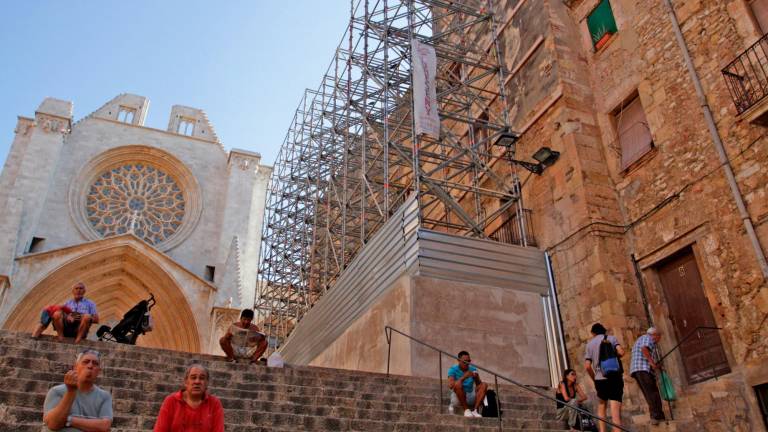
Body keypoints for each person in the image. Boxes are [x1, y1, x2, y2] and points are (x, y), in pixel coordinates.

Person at [42, 349, 113, 432]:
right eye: (86, 362)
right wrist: (71, 391)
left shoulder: (105, 396)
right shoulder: (56, 391)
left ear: (99, 371)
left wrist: (69, 419)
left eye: (95, 363)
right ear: (75, 367)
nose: (90, 366)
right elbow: (53, 424)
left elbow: (104, 426)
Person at [154, 363, 224, 432]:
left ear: (207, 383)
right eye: (193, 377)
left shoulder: (214, 404)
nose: (197, 381)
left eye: (202, 378)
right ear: (186, 382)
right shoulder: (171, 401)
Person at [584, 323, 626, 432]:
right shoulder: (611, 338)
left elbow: (587, 366)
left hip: (599, 379)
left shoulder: (589, 344)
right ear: (604, 331)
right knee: (615, 412)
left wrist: (594, 379)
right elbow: (621, 351)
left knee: (602, 405)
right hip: (614, 377)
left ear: (593, 333)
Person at [630, 327, 665, 425]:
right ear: (655, 335)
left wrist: (656, 366)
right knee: (652, 392)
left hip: (639, 369)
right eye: (659, 337)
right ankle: (656, 416)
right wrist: (652, 363)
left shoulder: (644, 339)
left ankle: (658, 415)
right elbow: (644, 348)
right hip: (642, 369)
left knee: (650, 392)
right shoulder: (647, 338)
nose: (659, 339)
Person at [447, 350, 488, 418]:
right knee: (457, 385)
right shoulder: (452, 369)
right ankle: (466, 410)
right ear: (458, 360)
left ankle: (475, 411)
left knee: (484, 385)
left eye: (469, 361)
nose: (467, 363)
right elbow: (451, 385)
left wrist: (476, 378)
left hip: (470, 395)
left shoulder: (473, 369)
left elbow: (479, 385)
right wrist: (464, 377)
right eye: (464, 362)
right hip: (458, 396)